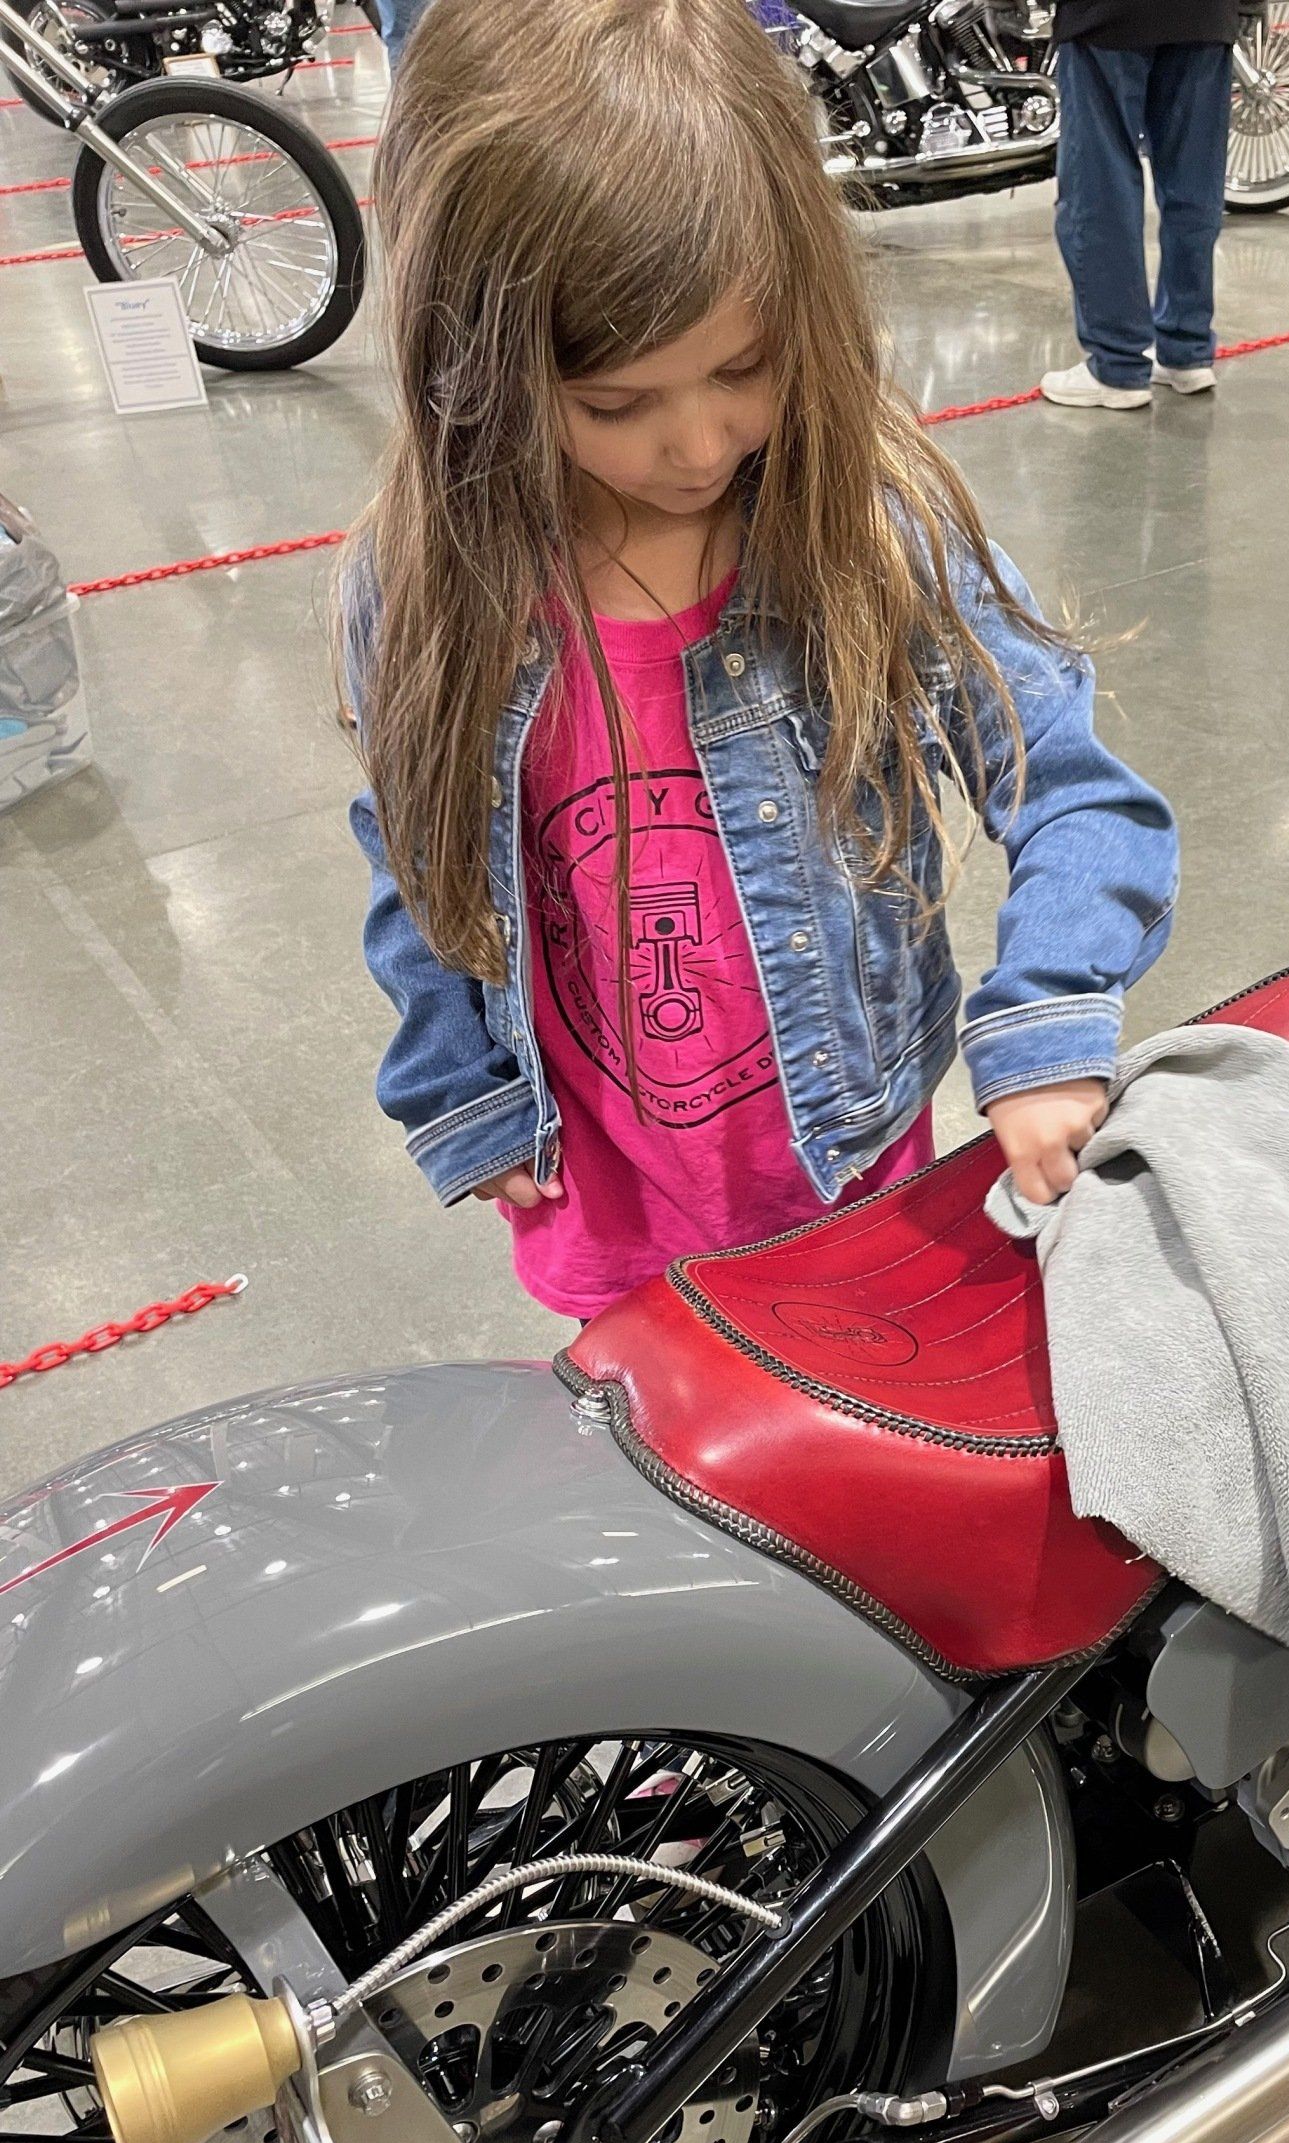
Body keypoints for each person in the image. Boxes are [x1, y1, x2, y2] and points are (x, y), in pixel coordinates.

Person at [341, 0, 1179, 1326]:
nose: (695, 446)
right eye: (615, 405)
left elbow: (1076, 787)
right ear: (478, 359)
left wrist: (1046, 1028)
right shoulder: (428, 583)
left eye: (744, 368)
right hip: (608, 1213)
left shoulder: (868, 526)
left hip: (856, 1177)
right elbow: (415, 841)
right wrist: (461, 1089)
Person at [1042, 0, 1238, 412]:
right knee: (1194, 181)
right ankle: (1187, 349)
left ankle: (1116, 364)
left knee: (1101, 185)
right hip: (1207, 16)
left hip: (1107, 17)